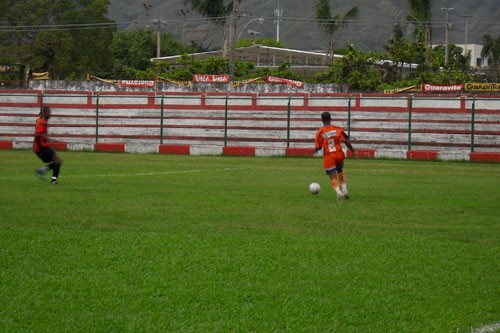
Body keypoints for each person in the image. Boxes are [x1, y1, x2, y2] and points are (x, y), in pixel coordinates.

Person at [314, 111, 356, 201]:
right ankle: (345, 189)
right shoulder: (338, 129)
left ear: (322, 120)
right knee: (340, 170)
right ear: (330, 119)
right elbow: (346, 141)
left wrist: (315, 150)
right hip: (339, 154)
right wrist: (353, 151)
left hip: (329, 156)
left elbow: (318, 147)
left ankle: (339, 192)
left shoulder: (320, 132)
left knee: (332, 176)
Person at [33, 106, 62, 185]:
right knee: (58, 161)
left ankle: (42, 170)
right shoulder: (42, 122)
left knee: (58, 161)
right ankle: (53, 180)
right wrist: (47, 138)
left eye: (50, 112)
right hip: (41, 147)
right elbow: (38, 133)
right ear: (44, 113)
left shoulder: (40, 121)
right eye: (48, 112)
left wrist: (45, 138)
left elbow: (37, 133)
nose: (50, 114)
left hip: (39, 148)